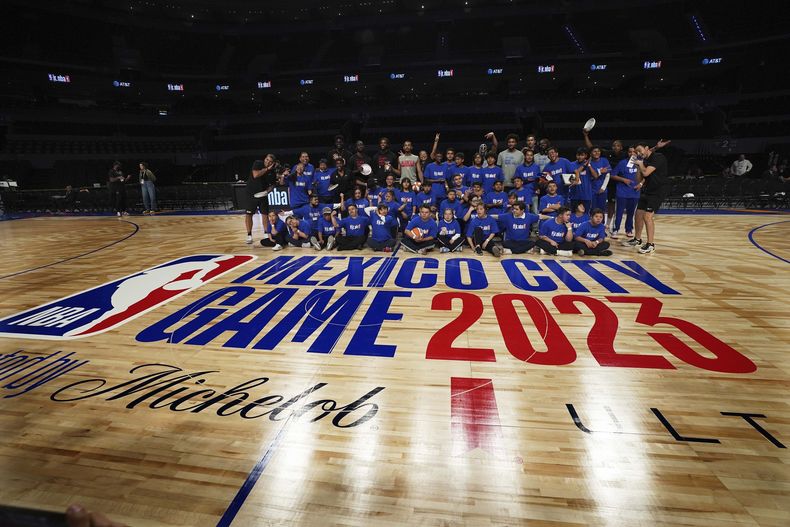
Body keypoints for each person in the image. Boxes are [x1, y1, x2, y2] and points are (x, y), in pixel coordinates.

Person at [624, 142, 669, 254]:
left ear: (647, 148)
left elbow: (647, 172)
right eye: (636, 152)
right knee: (638, 214)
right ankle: (637, 239)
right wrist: (638, 166)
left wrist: (640, 164)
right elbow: (639, 180)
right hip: (647, 190)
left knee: (647, 216)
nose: (638, 153)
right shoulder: (643, 160)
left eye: (640, 150)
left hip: (658, 191)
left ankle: (650, 244)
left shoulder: (658, 157)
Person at [244, 156, 278, 244]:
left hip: (263, 195)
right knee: (249, 214)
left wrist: (267, 192)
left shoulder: (272, 172)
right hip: (251, 194)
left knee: (265, 214)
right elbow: (256, 175)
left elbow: (273, 185)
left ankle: (266, 234)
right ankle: (249, 235)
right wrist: (267, 169)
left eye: (270, 161)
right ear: (264, 159)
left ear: (273, 163)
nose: (268, 162)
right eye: (267, 159)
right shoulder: (258, 163)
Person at [610, 146, 641, 239]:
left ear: (637, 153)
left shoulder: (641, 163)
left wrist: (641, 184)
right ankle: (615, 229)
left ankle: (629, 229)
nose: (632, 154)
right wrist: (623, 179)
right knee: (618, 212)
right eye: (630, 152)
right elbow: (612, 175)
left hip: (635, 192)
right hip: (622, 192)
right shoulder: (622, 163)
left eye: (634, 152)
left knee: (631, 213)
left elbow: (646, 175)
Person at [568, 147, 597, 213]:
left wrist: (589, 165)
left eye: (582, 155)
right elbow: (576, 172)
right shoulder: (572, 164)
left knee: (586, 215)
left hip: (586, 195)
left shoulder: (590, 165)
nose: (580, 157)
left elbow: (595, 176)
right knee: (573, 214)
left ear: (586, 156)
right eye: (578, 155)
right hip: (574, 195)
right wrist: (584, 165)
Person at [589, 147, 611, 217]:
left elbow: (608, 174)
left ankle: (601, 227)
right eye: (594, 151)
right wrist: (600, 172)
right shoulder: (588, 163)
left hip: (602, 190)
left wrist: (603, 187)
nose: (597, 153)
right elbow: (590, 177)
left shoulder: (604, 160)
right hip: (591, 190)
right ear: (591, 153)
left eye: (598, 151)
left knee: (602, 210)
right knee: (592, 210)